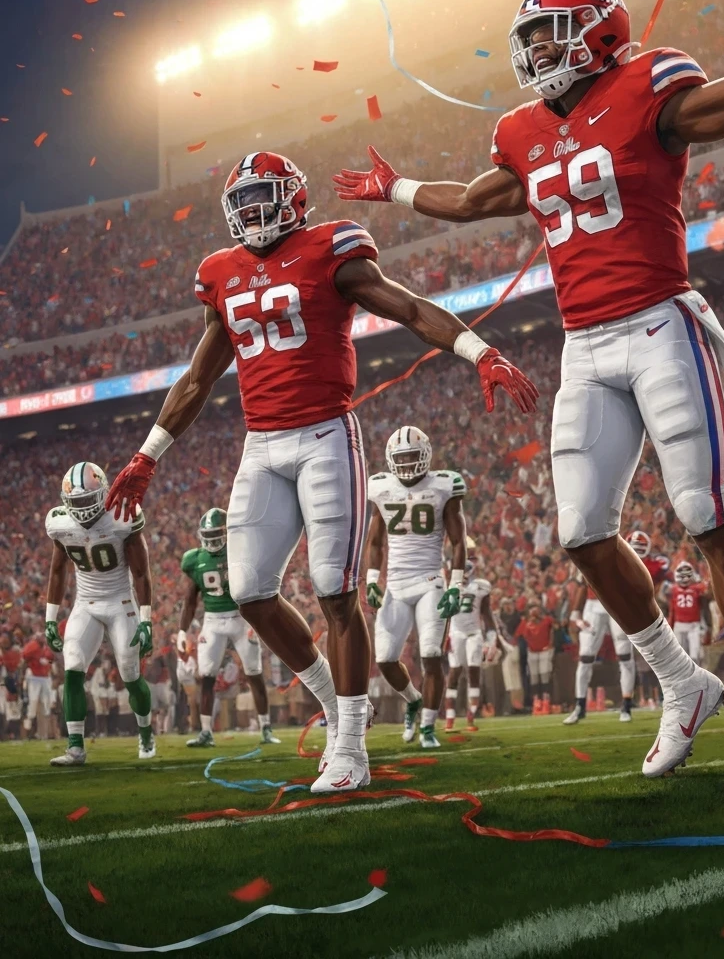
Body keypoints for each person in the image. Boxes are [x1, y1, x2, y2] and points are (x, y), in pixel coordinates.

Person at [334, 0, 724, 781]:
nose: (534, 55)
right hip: (585, 347)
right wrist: (399, 189)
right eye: (528, 40)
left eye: (547, 35)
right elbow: (476, 200)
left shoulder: (648, 84)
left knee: (709, 520)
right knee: (580, 533)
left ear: (598, 32)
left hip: (662, 324)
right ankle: (683, 682)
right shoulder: (523, 128)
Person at [105, 154, 536, 793]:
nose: (251, 212)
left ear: (293, 199)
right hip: (261, 445)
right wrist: (147, 455)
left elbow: (411, 309)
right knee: (250, 590)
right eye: (242, 200)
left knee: (336, 591)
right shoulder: (222, 273)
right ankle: (336, 704)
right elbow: (199, 377)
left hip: (325, 437)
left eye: (263, 197)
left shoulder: (328, 248)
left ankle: (353, 744)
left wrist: (479, 350)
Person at [43, 462, 156, 765]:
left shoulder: (121, 517)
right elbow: (56, 571)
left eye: (86, 501)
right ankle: (76, 746)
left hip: (121, 602)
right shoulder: (59, 523)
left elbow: (142, 574)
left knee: (130, 674)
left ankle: (145, 733)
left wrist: (146, 621)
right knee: (73, 667)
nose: (81, 510)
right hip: (86, 603)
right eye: (75, 503)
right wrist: (50, 619)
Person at [366, 427, 467, 748]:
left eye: (412, 457)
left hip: (429, 581)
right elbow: (375, 540)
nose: (407, 464)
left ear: (425, 455)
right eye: (401, 458)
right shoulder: (381, 488)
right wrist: (371, 580)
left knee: (431, 654)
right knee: (384, 659)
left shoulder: (443, 486)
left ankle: (427, 727)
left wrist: (456, 585)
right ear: (390, 460)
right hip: (395, 584)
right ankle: (412, 699)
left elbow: (458, 542)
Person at [177, 508, 279, 748]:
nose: (212, 540)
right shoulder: (195, 559)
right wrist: (182, 631)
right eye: (208, 535)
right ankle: (205, 732)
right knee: (207, 677)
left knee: (254, 673)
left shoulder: (240, 551)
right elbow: (190, 600)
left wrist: (260, 620)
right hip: (212, 620)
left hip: (241, 617)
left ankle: (265, 727)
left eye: (217, 534)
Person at [565, 572, 636, 724]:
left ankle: (626, 705)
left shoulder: (619, 553)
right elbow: (583, 585)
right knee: (585, 658)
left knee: (624, 656)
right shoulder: (587, 552)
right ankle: (580, 706)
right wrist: (575, 614)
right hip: (593, 606)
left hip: (617, 603)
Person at [446, 546, 498, 729]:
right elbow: (442, 614)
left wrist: (492, 640)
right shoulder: (449, 586)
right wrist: (443, 636)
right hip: (456, 632)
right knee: (454, 672)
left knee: (474, 672)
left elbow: (487, 614)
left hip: (474, 633)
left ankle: (471, 715)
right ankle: (450, 717)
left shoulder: (480, 587)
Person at [668, 562, 710, 666]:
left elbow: (707, 587)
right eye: (682, 574)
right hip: (680, 626)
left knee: (694, 657)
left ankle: (696, 678)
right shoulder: (674, 589)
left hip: (693, 626)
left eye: (687, 574)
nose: (684, 577)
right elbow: (672, 610)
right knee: (680, 657)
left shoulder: (696, 588)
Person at [21, 630, 54, 739]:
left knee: (45, 706)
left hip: (45, 678)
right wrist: (36, 659)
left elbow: (52, 661)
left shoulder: (47, 647)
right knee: (32, 705)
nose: (43, 639)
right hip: (34, 677)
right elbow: (24, 657)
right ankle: (26, 734)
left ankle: (43, 734)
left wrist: (47, 662)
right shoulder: (32, 646)